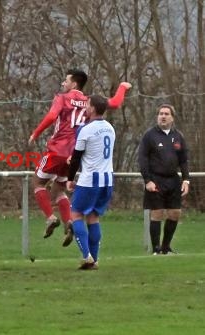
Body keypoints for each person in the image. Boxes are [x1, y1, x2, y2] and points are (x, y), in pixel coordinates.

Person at [29, 70, 130, 246]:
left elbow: (52, 116)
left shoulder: (62, 97)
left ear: (74, 84)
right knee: (59, 190)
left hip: (57, 149)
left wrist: (36, 133)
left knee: (38, 183)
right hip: (73, 154)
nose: (63, 84)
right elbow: (115, 102)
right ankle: (68, 222)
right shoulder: (90, 101)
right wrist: (122, 87)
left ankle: (51, 218)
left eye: (65, 80)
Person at [66, 94, 118, 270]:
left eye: (88, 105)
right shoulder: (110, 128)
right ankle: (94, 261)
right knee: (93, 217)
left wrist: (70, 179)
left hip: (90, 180)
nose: (85, 108)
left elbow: (76, 157)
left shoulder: (85, 130)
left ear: (93, 108)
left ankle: (86, 256)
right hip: (107, 179)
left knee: (76, 214)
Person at [138, 104, 190, 255]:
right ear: (157, 116)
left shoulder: (178, 136)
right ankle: (156, 249)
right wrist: (147, 180)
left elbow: (184, 160)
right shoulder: (149, 135)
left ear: (172, 117)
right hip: (156, 179)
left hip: (173, 180)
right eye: (161, 113)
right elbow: (142, 159)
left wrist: (186, 180)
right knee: (157, 213)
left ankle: (166, 247)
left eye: (166, 114)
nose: (163, 116)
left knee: (175, 213)